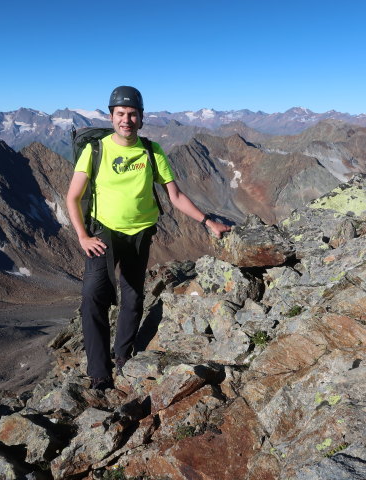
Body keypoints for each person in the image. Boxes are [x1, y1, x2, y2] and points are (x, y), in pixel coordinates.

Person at [66, 86, 230, 391]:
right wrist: (83, 236)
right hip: (104, 236)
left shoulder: (152, 151)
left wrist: (208, 221)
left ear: (140, 118)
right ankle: (99, 373)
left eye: (132, 114)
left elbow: (176, 196)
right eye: (120, 114)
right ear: (111, 116)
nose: (126, 119)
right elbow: (73, 197)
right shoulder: (95, 150)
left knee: (133, 297)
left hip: (140, 235)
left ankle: (123, 357)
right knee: (92, 298)